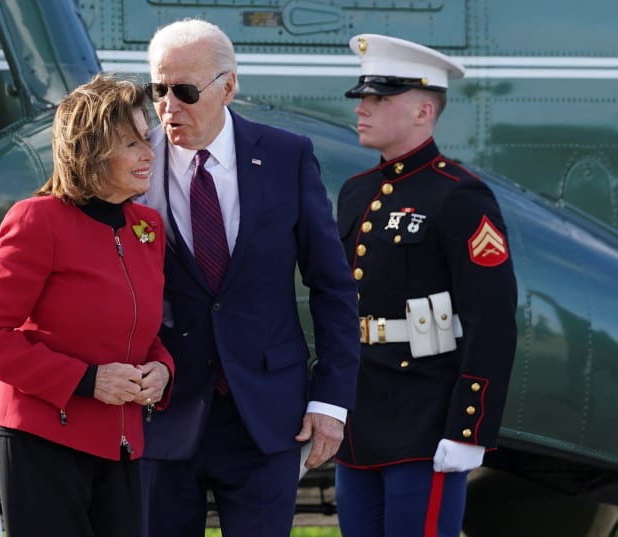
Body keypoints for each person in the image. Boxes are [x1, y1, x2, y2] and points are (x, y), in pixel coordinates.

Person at [138, 18, 361, 537]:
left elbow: (332, 285)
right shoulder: (132, 162)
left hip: (265, 416)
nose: (170, 107)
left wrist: (330, 401)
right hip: (163, 413)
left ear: (228, 86)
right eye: (158, 90)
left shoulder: (286, 156)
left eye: (186, 91)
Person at [0, 73, 175, 537]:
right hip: (41, 443)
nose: (149, 154)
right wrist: (87, 381)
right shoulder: (37, 220)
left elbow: (142, 328)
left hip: (121, 445)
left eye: (147, 139)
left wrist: (162, 370)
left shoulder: (148, 227)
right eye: (132, 143)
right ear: (91, 150)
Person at [333, 34, 518, 537]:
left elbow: (492, 319)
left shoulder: (459, 196)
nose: (363, 108)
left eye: (380, 97)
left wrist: (468, 429)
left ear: (423, 111)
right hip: (361, 415)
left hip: (426, 419)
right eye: (362, 97)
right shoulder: (356, 193)